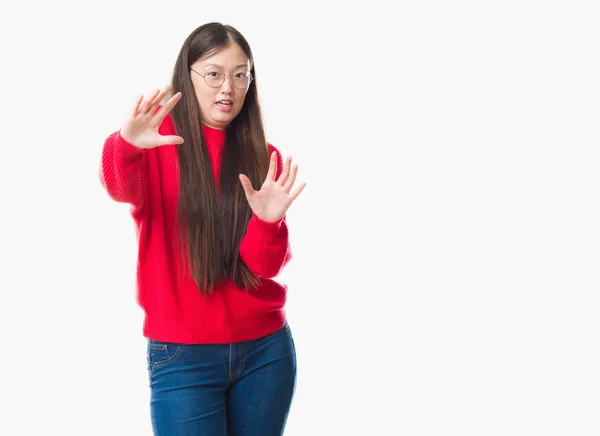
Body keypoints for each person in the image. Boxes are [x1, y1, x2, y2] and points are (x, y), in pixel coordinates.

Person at [99, 22, 305, 435]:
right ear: (187, 76)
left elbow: (263, 266)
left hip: (266, 352)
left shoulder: (264, 156)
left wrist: (269, 221)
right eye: (213, 74)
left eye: (239, 74)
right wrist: (127, 144)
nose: (227, 87)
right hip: (183, 358)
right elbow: (119, 187)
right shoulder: (157, 144)